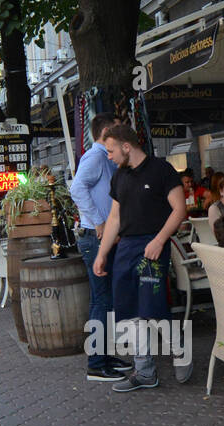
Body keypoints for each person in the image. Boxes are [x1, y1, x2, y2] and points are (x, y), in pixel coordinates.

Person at [93, 122, 186, 392]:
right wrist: (102, 254)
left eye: (110, 151)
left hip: (153, 245)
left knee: (152, 308)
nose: (108, 156)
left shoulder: (162, 170)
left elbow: (179, 210)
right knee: (130, 310)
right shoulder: (119, 176)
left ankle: (180, 350)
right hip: (126, 248)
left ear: (126, 146)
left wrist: (159, 240)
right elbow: (114, 218)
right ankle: (144, 371)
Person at [69, 113, 131, 382]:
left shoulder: (101, 157)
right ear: (106, 130)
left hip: (100, 237)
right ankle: (96, 362)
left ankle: (103, 356)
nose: (121, 131)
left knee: (103, 300)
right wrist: (99, 223)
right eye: (117, 128)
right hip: (96, 239)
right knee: (102, 300)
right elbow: (77, 189)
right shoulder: (95, 157)